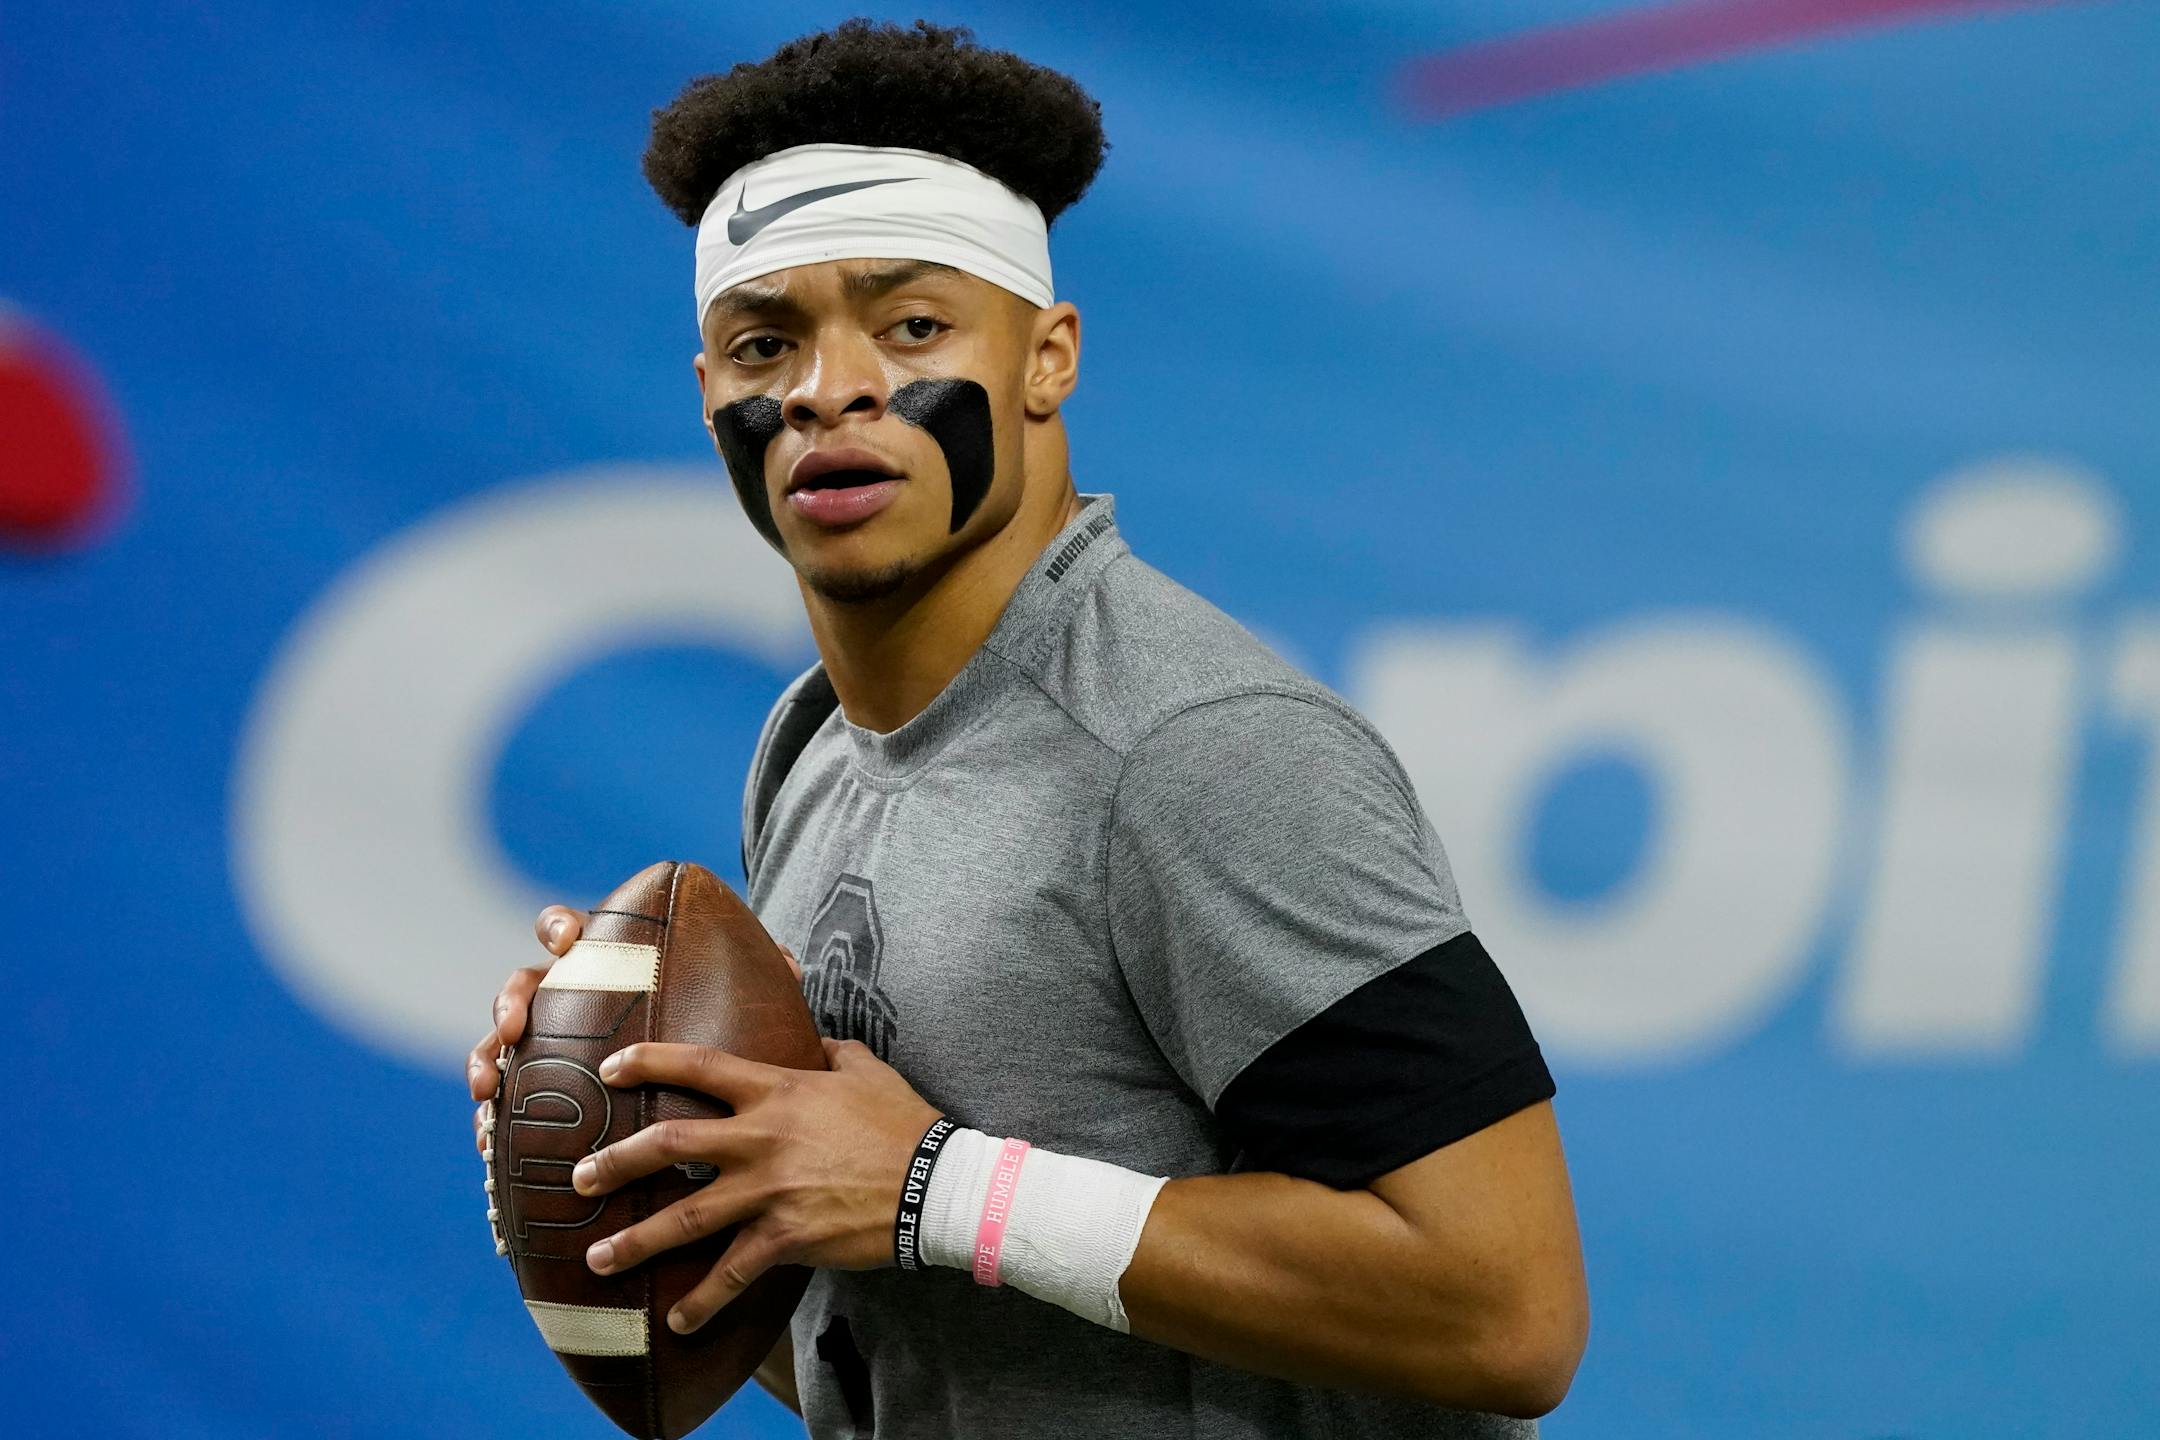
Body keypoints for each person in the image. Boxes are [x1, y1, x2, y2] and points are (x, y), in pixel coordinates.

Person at [467, 20, 1587, 1438]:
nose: (828, 388)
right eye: (766, 342)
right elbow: (891, 1335)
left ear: (1045, 360)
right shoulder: (812, 749)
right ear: (711, 401)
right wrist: (649, 1169)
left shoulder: (1198, 746)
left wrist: (944, 1188)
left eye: (913, 324)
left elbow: (1509, 1311)